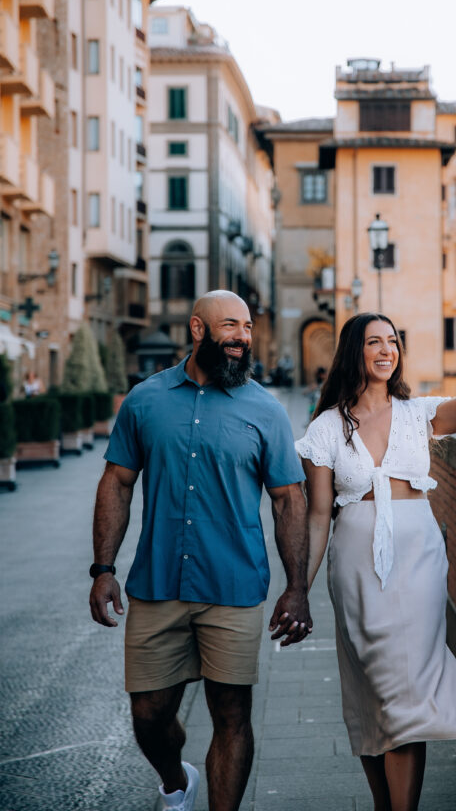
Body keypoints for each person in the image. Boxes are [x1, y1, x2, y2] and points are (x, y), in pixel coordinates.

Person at [296, 312, 456, 811]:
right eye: (373, 342)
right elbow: (316, 517)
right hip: (354, 567)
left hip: (418, 561)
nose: (385, 350)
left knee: (405, 686)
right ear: (354, 351)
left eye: (392, 341)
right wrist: (298, 592)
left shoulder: (418, 413)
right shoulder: (327, 428)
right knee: (370, 688)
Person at [89, 291, 311, 811]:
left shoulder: (266, 409)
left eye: (248, 327)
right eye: (230, 325)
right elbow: (116, 483)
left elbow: (288, 501)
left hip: (233, 586)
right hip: (157, 582)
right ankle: (175, 779)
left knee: (232, 713)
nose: (241, 337)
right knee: (148, 714)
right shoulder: (145, 400)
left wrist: (297, 588)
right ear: (197, 329)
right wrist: (103, 569)